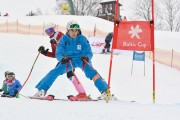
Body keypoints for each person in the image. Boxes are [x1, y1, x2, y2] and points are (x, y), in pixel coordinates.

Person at [34, 20, 111, 100]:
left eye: (76, 30)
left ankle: (105, 91)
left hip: (81, 59)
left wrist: (87, 57)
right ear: (68, 30)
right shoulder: (63, 40)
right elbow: (58, 53)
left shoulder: (82, 39)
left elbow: (89, 52)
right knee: (55, 71)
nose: (74, 32)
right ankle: (41, 90)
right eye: (72, 30)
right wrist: (62, 59)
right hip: (69, 60)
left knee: (92, 72)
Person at [36, 23, 88, 99]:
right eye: (46, 31)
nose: (49, 33)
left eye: (50, 30)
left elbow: (68, 46)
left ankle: (42, 91)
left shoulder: (61, 35)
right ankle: (82, 93)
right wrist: (45, 52)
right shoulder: (52, 39)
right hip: (63, 60)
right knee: (67, 74)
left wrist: (56, 43)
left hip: (70, 59)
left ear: (54, 29)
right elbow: (55, 54)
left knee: (60, 73)